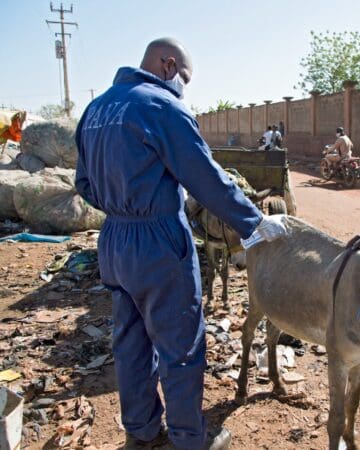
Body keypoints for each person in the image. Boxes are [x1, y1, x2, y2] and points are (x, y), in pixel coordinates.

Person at [75, 37, 287, 450]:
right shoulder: (161, 106)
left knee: (130, 341)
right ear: (168, 65)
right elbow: (204, 177)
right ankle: (190, 439)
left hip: (115, 241)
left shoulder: (95, 110)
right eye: (184, 78)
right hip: (158, 242)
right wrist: (253, 222)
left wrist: (121, 207)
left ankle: (141, 431)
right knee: (181, 345)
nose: (184, 89)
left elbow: (83, 183)